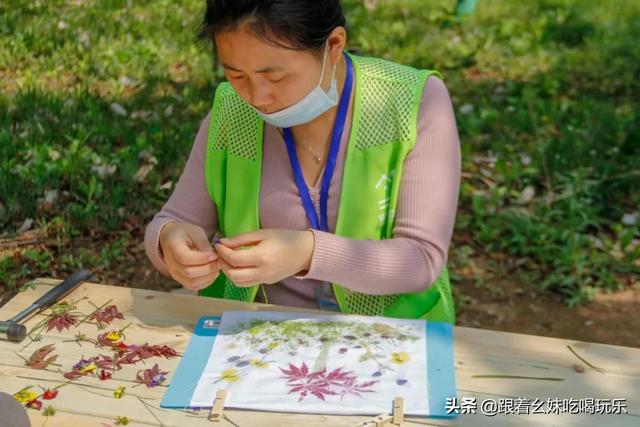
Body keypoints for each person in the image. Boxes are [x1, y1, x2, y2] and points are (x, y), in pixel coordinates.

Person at [144, 0, 461, 323]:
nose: (257, 97)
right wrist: (170, 242)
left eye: (276, 77)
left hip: (390, 335)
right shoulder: (232, 114)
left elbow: (421, 259)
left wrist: (306, 252)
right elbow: (172, 220)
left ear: (334, 45)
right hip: (256, 331)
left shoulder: (411, 103)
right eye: (236, 75)